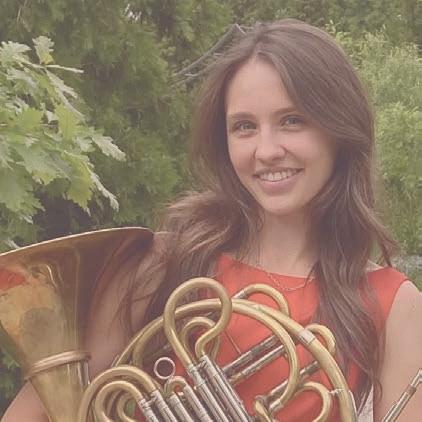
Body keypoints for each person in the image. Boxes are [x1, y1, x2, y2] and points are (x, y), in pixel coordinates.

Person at [2, 19, 421, 422]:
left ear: (340, 129)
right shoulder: (164, 263)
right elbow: (38, 413)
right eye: (244, 127)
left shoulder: (393, 304)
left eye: (292, 121)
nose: (266, 150)